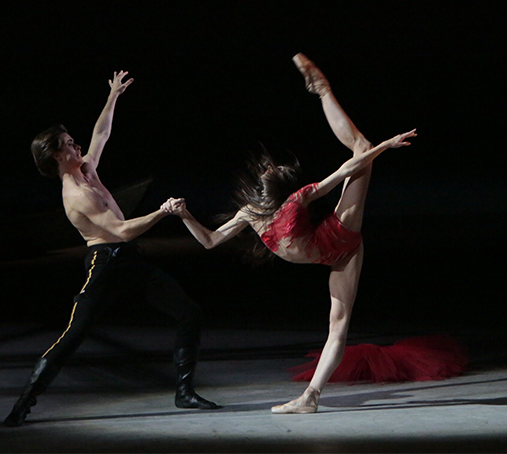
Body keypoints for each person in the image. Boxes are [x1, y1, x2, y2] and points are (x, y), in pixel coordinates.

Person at [162, 54, 417, 414]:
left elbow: (346, 169)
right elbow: (209, 241)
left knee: (362, 151)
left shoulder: (299, 198)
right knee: (337, 325)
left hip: (341, 240)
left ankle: (323, 90)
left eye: (275, 167)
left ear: (278, 182)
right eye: (272, 166)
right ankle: (310, 398)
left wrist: (383, 148)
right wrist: (186, 214)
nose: (270, 166)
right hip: (328, 252)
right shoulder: (250, 214)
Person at [4, 71, 219, 427]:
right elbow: (120, 230)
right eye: (70, 143)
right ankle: (23, 404)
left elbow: (101, 134)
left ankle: (184, 393)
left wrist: (113, 96)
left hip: (129, 260)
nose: (78, 146)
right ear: (58, 155)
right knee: (73, 335)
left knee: (189, 312)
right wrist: (162, 212)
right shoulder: (76, 195)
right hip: (103, 264)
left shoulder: (87, 170)